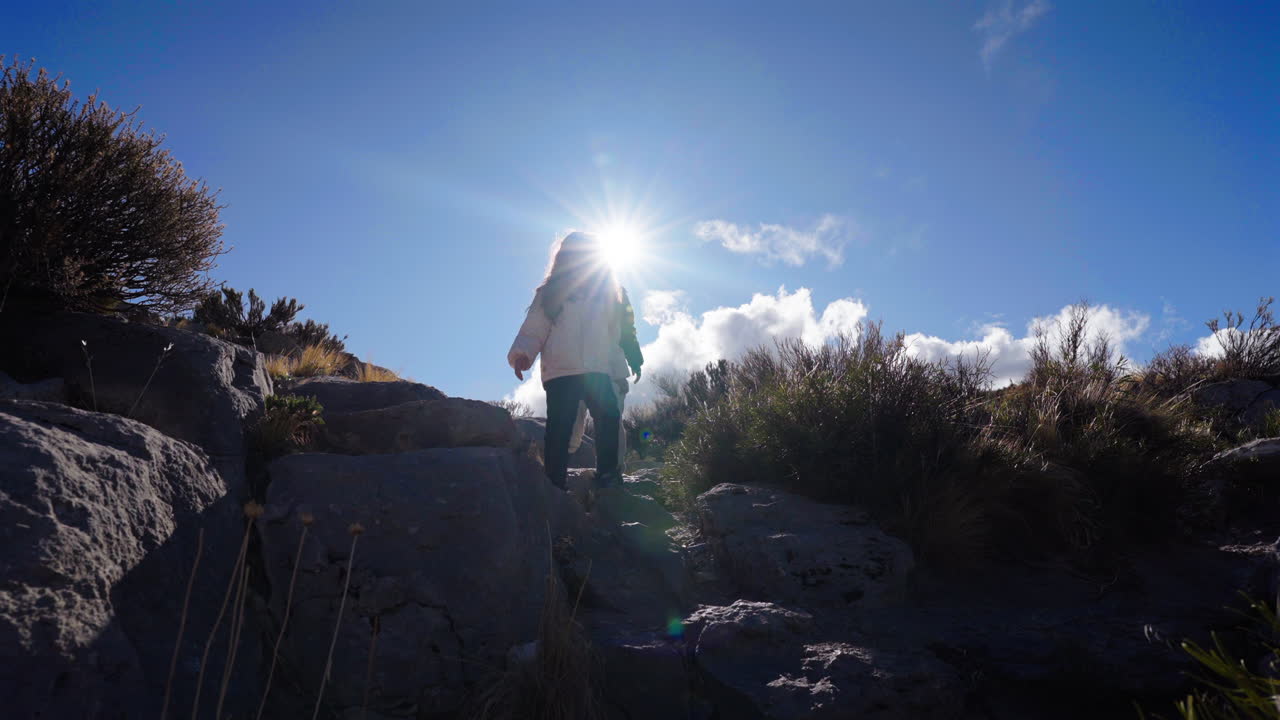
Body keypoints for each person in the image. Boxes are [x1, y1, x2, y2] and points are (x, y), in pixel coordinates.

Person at [507, 232, 642, 491]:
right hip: (562, 371)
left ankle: (608, 476)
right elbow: (534, 328)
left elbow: (625, 330)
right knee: (560, 426)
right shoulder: (551, 292)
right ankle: (555, 482)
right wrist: (522, 354)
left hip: (598, 370)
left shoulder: (611, 293)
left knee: (609, 417)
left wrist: (634, 356)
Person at [568, 287, 643, 470]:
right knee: (570, 419)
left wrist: (634, 360)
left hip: (610, 368)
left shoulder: (616, 291)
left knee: (611, 419)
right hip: (575, 367)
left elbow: (627, 328)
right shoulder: (567, 286)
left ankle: (613, 473)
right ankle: (561, 469)